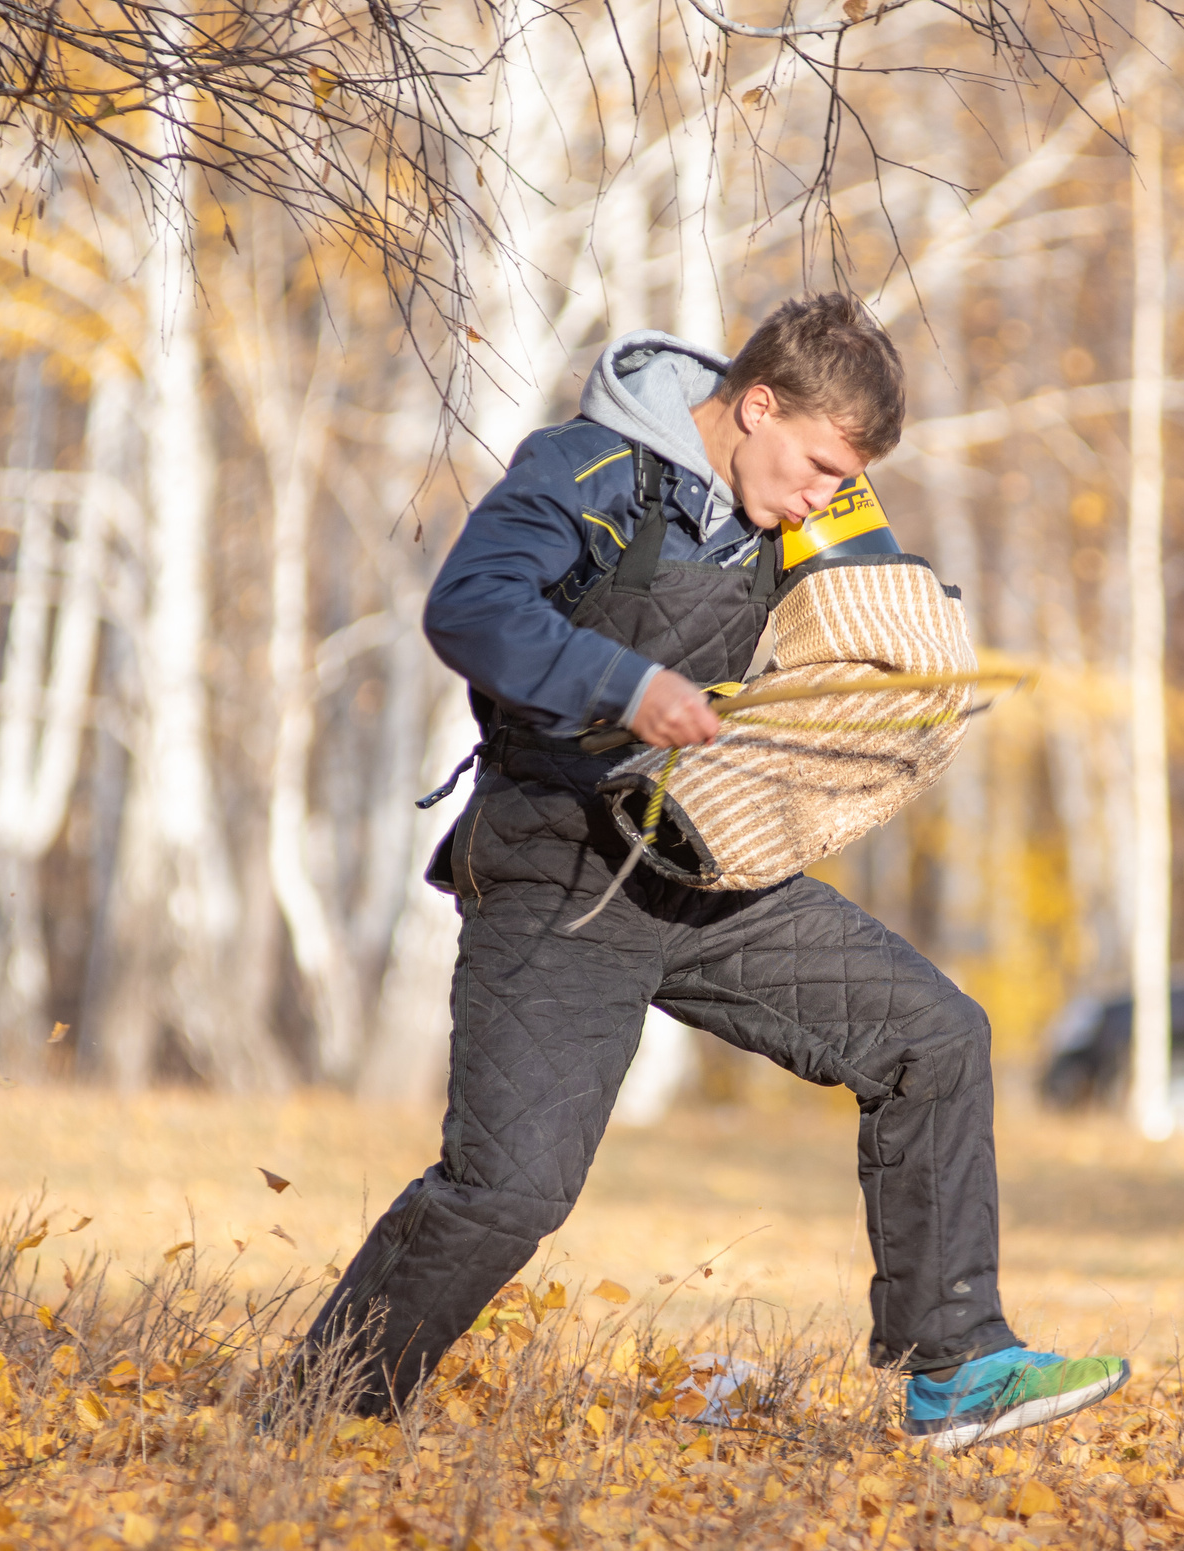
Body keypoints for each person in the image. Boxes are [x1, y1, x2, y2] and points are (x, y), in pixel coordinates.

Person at [293, 293, 1125, 1452]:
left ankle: (957, 1364)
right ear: (756, 403)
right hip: (562, 872)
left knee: (932, 1037)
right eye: (820, 467)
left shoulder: (800, 503)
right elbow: (469, 607)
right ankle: (317, 1414)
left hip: (709, 869)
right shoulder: (589, 470)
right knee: (509, 1191)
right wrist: (626, 686)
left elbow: (880, 625)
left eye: (846, 481)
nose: (823, 498)